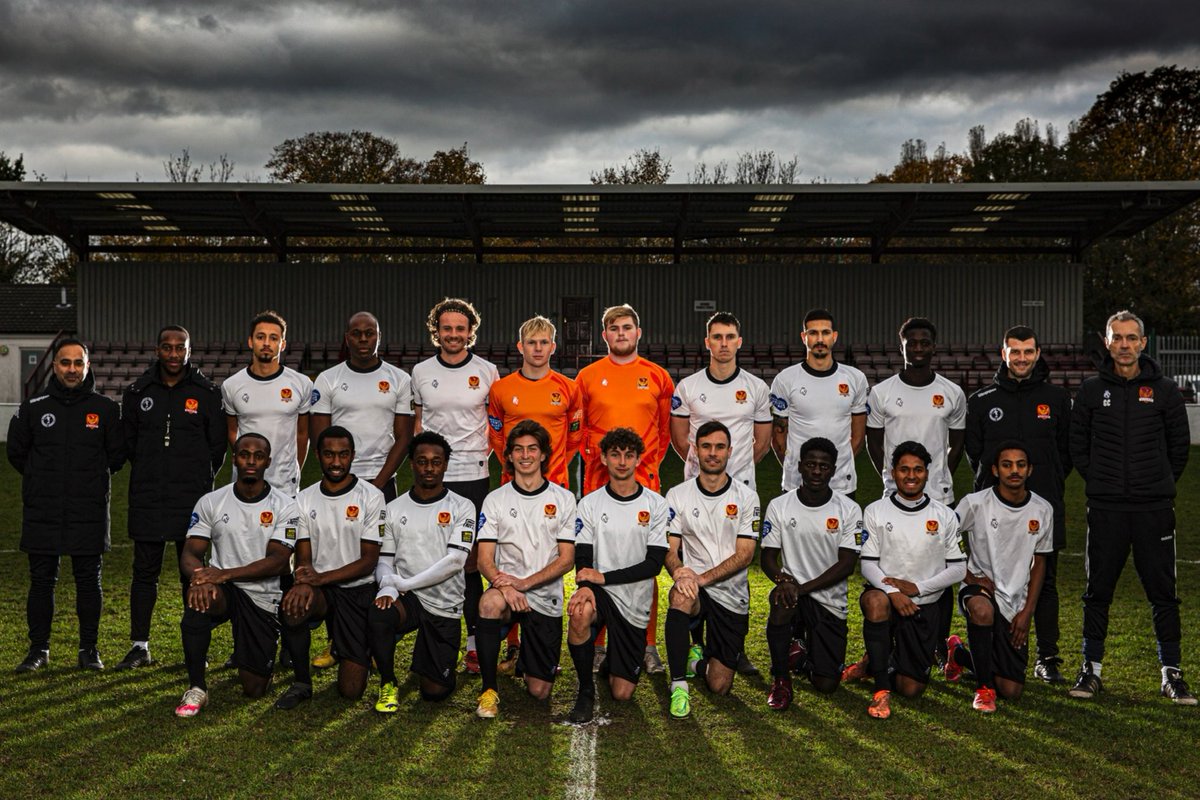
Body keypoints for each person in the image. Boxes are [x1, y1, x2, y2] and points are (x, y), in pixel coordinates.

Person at [1068, 310, 1193, 705]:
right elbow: (1079, 448)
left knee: (1163, 593)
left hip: (1153, 509)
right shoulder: (1089, 391)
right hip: (1106, 508)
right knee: (1097, 591)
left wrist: (1155, 484)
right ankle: (1091, 669)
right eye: (1117, 337)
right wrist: (1103, 483)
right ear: (1106, 343)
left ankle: (1171, 672)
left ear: (1142, 343)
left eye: (1131, 338)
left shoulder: (1166, 391)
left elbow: (1178, 451)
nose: (1124, 345)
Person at [9, 338, 125, 672]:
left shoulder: (105, 409)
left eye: (78, 363)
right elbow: (17, 452)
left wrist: (87, 481)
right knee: (42, 581)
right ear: (54, 366)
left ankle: (89, 650)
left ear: (88, 366)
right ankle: (38, 650)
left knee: (89, 581)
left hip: (88, 509)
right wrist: (41, 480)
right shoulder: (34, 407)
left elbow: (116, 456)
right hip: (43, 509)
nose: (72, 369)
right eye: (65, 362)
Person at [965, 325, 1072, 683]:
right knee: (990, 579)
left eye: (1028, 351)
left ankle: (1048, 657)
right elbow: (976, 454)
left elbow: (1066, 454)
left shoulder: (1057, 400)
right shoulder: (982, 401)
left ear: (1038, 354)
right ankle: (983, 649)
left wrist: (1046, 486)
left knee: (1046, 581)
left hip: (1042, 508)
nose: (1022, 358)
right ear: (1003, 354)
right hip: (993, 514)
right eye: (1015, 351)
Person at [117, 325, 226, 671]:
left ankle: (195, 649)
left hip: (191, 500)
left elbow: (217, 448)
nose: (174, 354)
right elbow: (130, 443)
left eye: (181, 348)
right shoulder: (137, 392)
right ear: (158, 350)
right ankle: (139, 646)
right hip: (148, 496)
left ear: (189, 351)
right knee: (144, 573)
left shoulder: (207, 392)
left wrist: (193, 477)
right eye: (168, 347)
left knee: (191, 574)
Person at [577, 303, 674, 673]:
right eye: (614, 328)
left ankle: (647, 644)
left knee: (645, 566)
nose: (621, 333)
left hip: (643, 483)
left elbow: (663, 434)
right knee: (598, 561)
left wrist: (644, 466)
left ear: (638, 333)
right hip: (598, 482)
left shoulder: (658, 376)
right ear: (605, 335)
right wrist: (596, 465)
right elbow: (580, 432)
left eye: (627, 327)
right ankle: (598, 642)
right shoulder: (586, 377)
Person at [174, 433, 299, 717]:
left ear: (268, 461)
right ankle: (197, 688)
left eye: (258, 456)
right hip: (224, 592)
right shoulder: (211, 501)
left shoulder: (285, 505)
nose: (251, 461)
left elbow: (279, 562)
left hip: (263, 595)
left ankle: (259, 650)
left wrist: (223, 574)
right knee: (199, 597)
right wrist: (199, 577)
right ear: (235, 458)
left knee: (254, 688)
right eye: (244, 454)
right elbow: (191, 553)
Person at [866, 316, 966, 664]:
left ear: (934, 347)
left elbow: (958, 442)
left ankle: (938, 644)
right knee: (893, 568)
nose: (919, 347)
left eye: (925, 342)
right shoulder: (882, 393)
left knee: (939, 571)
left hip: (938, 498)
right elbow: (874, 442)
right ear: (902, 346)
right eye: (913, 342)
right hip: (894, 498)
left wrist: (937, 477)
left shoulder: (952, 393)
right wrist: (892, 479)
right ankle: (892, 641)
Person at [844, 441, 965, 719]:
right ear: (892, 472)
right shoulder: (876, 511)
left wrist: (918, 588)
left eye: (918, 470)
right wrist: (892, 592)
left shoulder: (944, 515)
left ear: (927, 473)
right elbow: (868, 564)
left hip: (923, 605)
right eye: (904, 469)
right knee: (875, 602)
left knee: (910, 689)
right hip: (887, 600)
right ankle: (881, 691)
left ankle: (875, 661)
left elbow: (958, 568)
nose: (911, 476)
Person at [411, 297, 499, 674]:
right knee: (430, 557)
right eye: (446, 328)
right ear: (436, 331)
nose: (453, 335)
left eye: (460, 329)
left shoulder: (488, 371)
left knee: (469, 564)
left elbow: (494, 426)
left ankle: (474, 643)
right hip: (432, 478)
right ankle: (429, 635)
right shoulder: (419, 372)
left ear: (470, 333)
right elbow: (418, 423)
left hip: (473, 478)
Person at [275, 426, 385, 709]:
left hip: (357, 590)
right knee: (293, 606)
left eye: (343, 455)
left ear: (352, 456)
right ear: (318, 457)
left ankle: (356, 646)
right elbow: (303, 556)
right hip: (322, 590)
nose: (336, 463)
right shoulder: (304, 499)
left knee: (351, 691)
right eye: (328, 455)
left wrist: (320, 578)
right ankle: (301, 682)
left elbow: (368, 561)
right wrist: (302, 582)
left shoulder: (371, 496)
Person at [473, 420, 577, 719]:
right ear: (509, 456)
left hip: (543, 596)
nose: (525, 455)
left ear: (544, 454)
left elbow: (566, 559)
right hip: (507, 594)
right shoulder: (495, 499)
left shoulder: (563, 499)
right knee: (489, 602)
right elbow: (484, 560)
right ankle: (489, 689)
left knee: (539, 691)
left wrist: (524, 584)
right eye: (518, 449)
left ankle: (524, 661)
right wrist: (505, 587)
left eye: (532, 449)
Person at [566, 428, 670, 723]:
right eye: (615, 454)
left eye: (628, 455)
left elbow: (654, 564)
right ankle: (585, 691)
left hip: (633, 599)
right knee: (579, 611)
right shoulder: (589, 503)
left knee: (622, 693)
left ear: (639, 459)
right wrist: (586, 585)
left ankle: (615, 660)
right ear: (603, 458)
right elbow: (584, 556)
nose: (622, 461)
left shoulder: (656, 505)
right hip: (601, 592)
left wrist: (603, 577)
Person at [942, 442, 1054, 712]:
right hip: (980, 588)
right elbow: (942, 538)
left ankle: (957, 654)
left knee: (1012, 690)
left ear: (1029, 470)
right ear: (995, 470)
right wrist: (968, 576)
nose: (1014, 471)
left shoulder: (1042, 509)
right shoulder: (976, 504)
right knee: (981, 610)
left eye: (1020, 465)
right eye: (1007, 465)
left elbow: (1040, 562)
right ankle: (983, 689)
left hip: (1015, 599)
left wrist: (1027, 612)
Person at [369, 431, 475, 711]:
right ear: (412, 464)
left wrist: (403, 583)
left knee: (434, 692)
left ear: (445, 465)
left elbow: (455, 561)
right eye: (422, 461)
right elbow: (385, 560)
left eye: (436, 462)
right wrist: (389, 587)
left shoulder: (463, 507)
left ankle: (433, 658)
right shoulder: (393, 508)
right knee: (380, 612)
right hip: (410, 600)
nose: (429, 468)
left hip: (444, 602)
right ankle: (388, 683)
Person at [662, 421, 760, 719]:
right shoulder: (678, 495)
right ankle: (679, 684)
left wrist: (700, 578)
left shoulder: (746, 497)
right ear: (695, 451)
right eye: (706, 446)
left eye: (719, 447)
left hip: (730, 595)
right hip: (694, 590)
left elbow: (745, 556)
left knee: (719, 685)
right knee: (680, 596)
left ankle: (697, 663)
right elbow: (669, 548)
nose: (713, 453)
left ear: (730, 451)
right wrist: (680, 573)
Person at [761, 437, 863, 711]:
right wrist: (783, 581)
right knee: (781, 601)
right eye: (810, 465)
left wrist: (800, 588)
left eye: (823, 466)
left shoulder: (849, 510)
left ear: (833, 469)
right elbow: (768, 557)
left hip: (828, 599)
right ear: (799, 467)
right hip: (794, 594)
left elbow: (847, 564)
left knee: (826, 684)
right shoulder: (779, 505)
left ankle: (801, 654)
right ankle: (781, 679)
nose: (816, 471)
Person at [311, 311, 415, 502]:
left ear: (379, 336)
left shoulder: (400, 379)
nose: (363, 339)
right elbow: (320, 437)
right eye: (356, 334)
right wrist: (340, 477)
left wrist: (378, 485)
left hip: (383, 480)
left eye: (369, 333)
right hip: (339, 477)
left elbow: (405, 437)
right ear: (347, 338)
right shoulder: (327, 379)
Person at [770, 309, 869, 497]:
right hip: (796, 482)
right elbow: (778, 440)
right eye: (813, 333)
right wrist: (799, 469)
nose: (820, 339)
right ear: (803, 337)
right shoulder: (785, 380)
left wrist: (834, 467)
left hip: (841, 482)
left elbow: (858, 437)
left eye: (825, 333)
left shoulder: (855, 378)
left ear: (834, 336)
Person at [671, 311, 771, 489]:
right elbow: (679, 441)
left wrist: (739, 466)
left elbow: (762, 444)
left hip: (742, 485)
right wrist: (707, 467)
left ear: (739, 342)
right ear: (707, 342)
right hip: (697, 484)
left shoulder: (757, 387)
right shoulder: (687, 387)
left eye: (730, 337)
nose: (724, 344)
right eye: (717, 337)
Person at [221, 310, 314, 497]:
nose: (266, 343)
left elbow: (303, 434)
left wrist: (293, 470)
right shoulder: (231, 385)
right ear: (250, 341)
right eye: (260, 337)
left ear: (282, 344)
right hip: (245, 481)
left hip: (285, 484)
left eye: (273, 338)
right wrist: (247, 461)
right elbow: (232, 431)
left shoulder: (302, 384)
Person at [487, 315, 583, 491]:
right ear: (520, 347)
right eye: (531, 342)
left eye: (544, 342)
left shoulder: (570, 388)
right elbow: (496, 436)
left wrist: (553, 465)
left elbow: (574, 437)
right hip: (513, 483)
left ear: (552, 347)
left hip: (556, 482)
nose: (538, 348)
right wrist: (516, 465)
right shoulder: (500, 389)